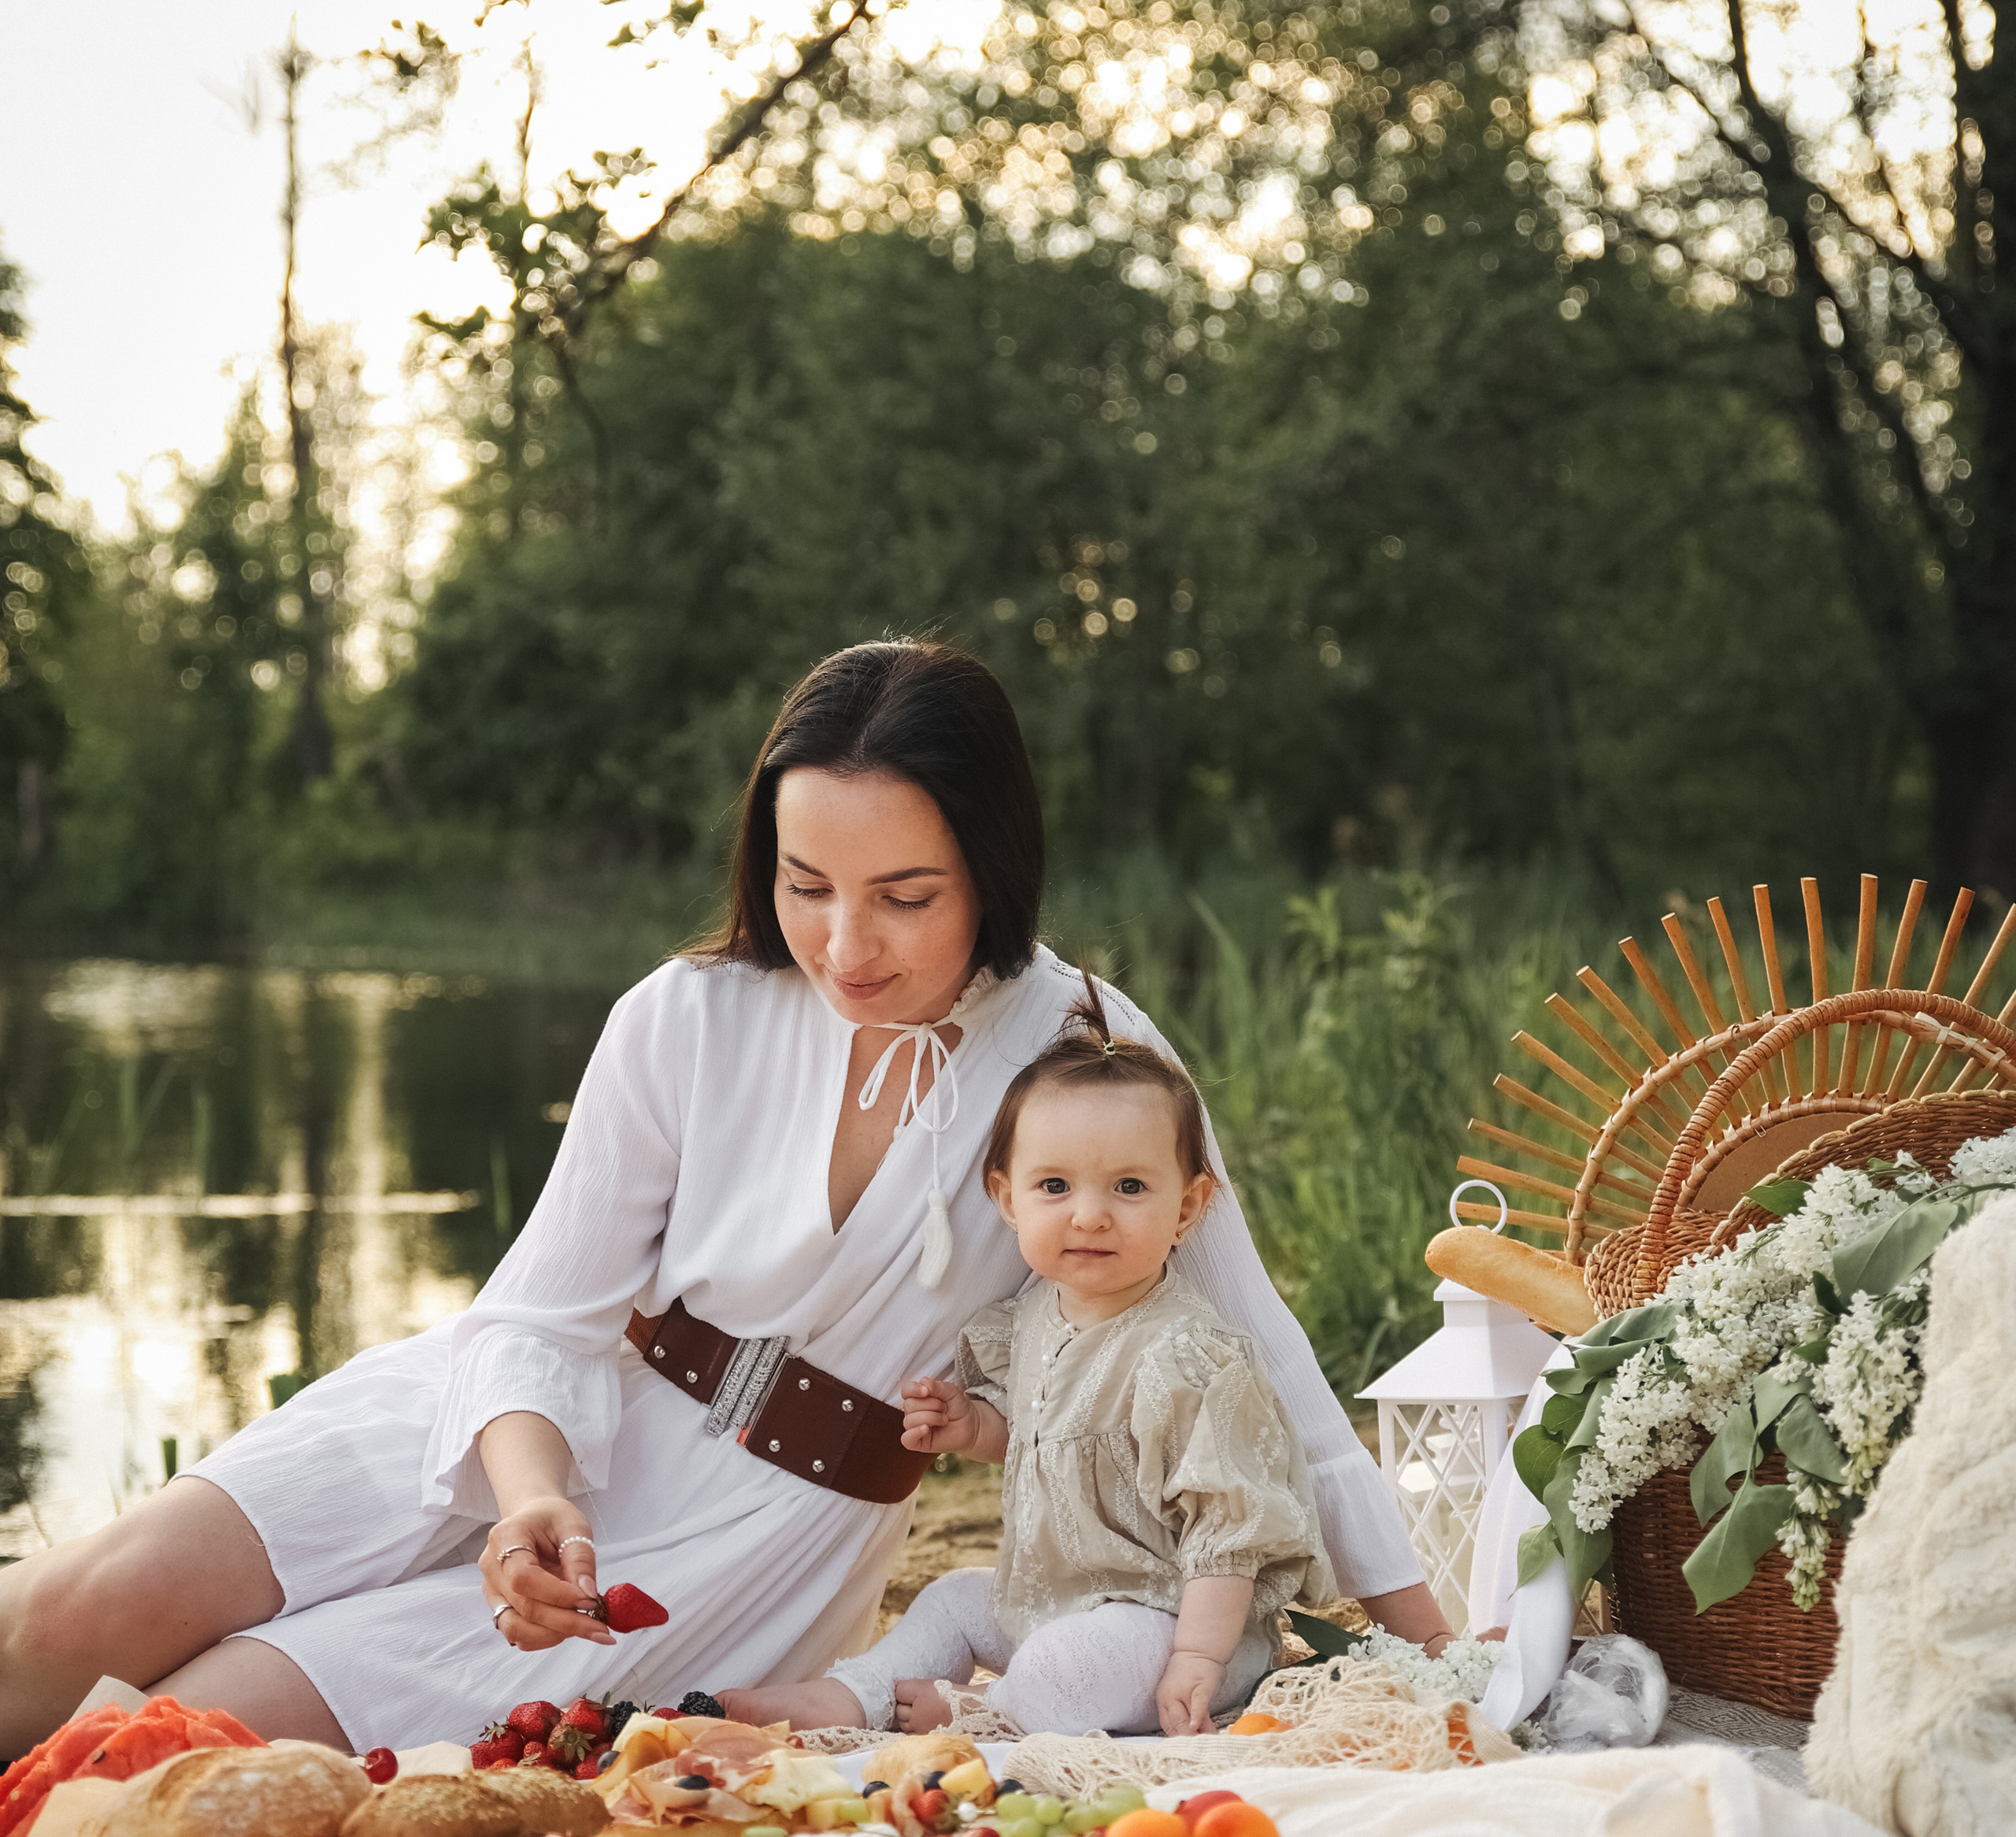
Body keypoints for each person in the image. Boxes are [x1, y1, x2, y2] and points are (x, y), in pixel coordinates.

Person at [0, 643, 1449, 1757]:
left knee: (174, 1741)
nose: (845, 945)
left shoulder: (1082, 1052)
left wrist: (1437, 1655)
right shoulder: (687, 1014)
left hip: (745, 1533)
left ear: (992, 870)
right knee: (83, 1607)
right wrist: (530, 1502)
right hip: (511, 1438)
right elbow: (542, 1317)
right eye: (806, 881)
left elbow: (1266, 1367)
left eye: (905, 895)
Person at [728, 977, 1341, 1742]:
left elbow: (1227, 1534)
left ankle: (989, 1714)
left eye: (1128, 1186)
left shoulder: (1188, 1358)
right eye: (1054, 1185)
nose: (1088, 1213)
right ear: (1008, 1198)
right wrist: (973, 1425)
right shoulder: (1029, 1323)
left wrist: (1196, 1658)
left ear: (1185, 1207)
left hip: (1169, 1623)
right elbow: (1035, 1436)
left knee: (1063, 1668)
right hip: (1055, 1604)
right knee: (952, 1599)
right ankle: (855, 1696)